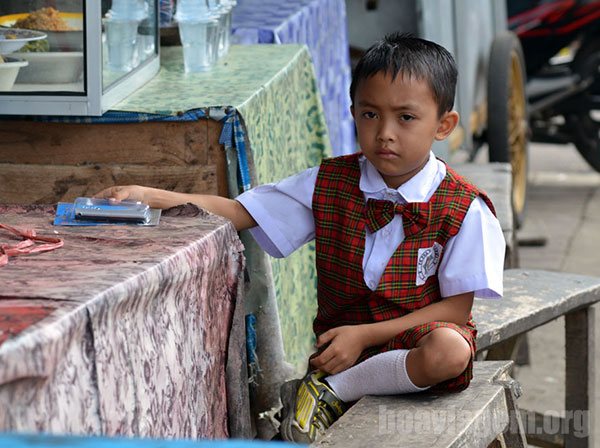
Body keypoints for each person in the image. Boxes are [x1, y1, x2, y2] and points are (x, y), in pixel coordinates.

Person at [95, 32, 505, 444]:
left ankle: (332, 392)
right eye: (370, 114)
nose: (385, 133)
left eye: (406, 118)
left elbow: (454, 311)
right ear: (353, 113)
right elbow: (242, 212)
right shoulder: (330, 182)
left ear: (444, 125)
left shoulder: (463, 207)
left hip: (412, 344)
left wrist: (365, 334)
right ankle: (330, 385)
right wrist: (153, 196)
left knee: (451, 351)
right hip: (338, 345)